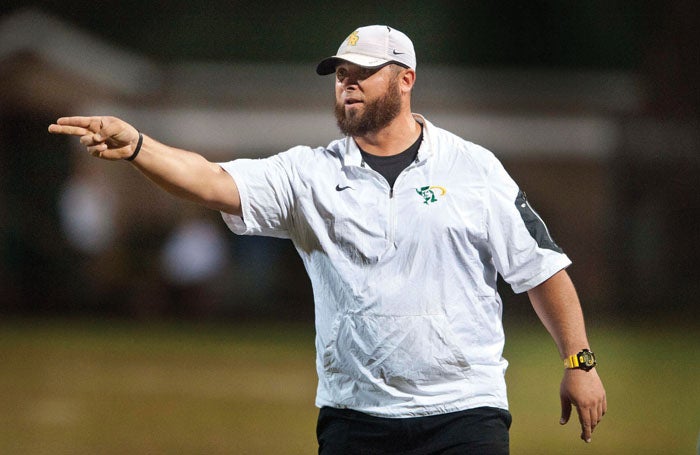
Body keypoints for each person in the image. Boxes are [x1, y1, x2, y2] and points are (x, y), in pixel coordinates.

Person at [49, 25, 606, 454]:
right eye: (340, 74)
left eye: (362, 71)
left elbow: (541, 268)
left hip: (465, 412)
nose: (347, 82)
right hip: (354, 417)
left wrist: (579, 363)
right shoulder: (309, 174)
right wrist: (141, 145)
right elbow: (212, 180)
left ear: (405, 79)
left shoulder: (473, 169)